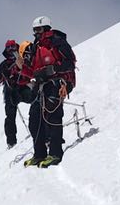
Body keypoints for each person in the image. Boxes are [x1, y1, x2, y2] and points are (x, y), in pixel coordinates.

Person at [20, 15, 77, 168]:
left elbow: (70, 63)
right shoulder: (36, 47)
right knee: (34, 119)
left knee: (53, 115)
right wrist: (22, 67)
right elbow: (33, 71)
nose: (36, 33)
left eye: (38, 29)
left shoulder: (57, 42)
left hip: (59, 81)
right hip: (43, 85)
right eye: (34, 30)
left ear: (46, 28)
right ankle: (39, 154)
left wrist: (52, 69)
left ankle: (55, 153)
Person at [0, 38, 30, 147]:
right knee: (10, 116)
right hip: (10, 90)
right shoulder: (4, 64)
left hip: (23, 87)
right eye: (9, 47)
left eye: (13, 47)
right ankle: (11, 141)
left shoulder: (22, 59)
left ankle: (40, 126)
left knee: (36, 102)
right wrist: (5, 73)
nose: (11, 49)